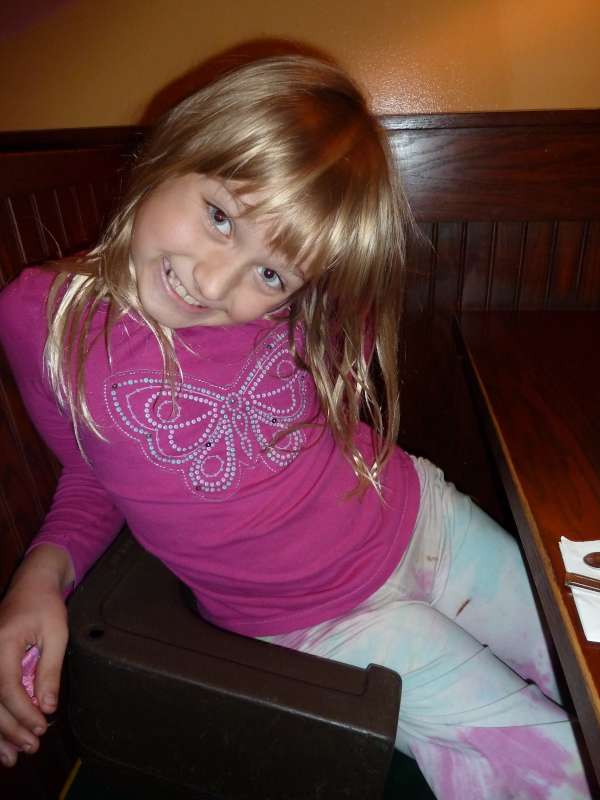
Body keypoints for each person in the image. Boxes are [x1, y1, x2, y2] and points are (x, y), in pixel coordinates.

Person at [0, 53, 593, 799]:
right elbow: (93, 475)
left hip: (424, 518)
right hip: (315, 625)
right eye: (220, 216)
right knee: (555, 763)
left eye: (271, 273)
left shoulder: (301, 315)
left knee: (591, 629)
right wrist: (42, 575)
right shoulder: (43, 320)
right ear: (174, 152)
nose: (213, 282)